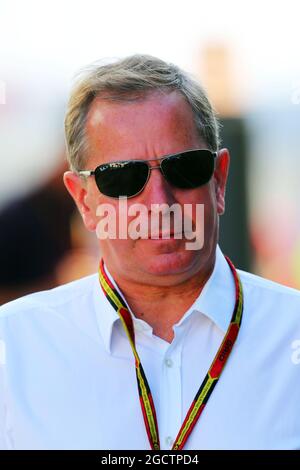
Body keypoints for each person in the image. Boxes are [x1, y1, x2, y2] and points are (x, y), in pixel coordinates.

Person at [0, 54, 300, 451]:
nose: (159, 202)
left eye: (184, 167)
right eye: (123, 176)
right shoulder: (12, 348)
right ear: (84, 201)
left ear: (220, 180)